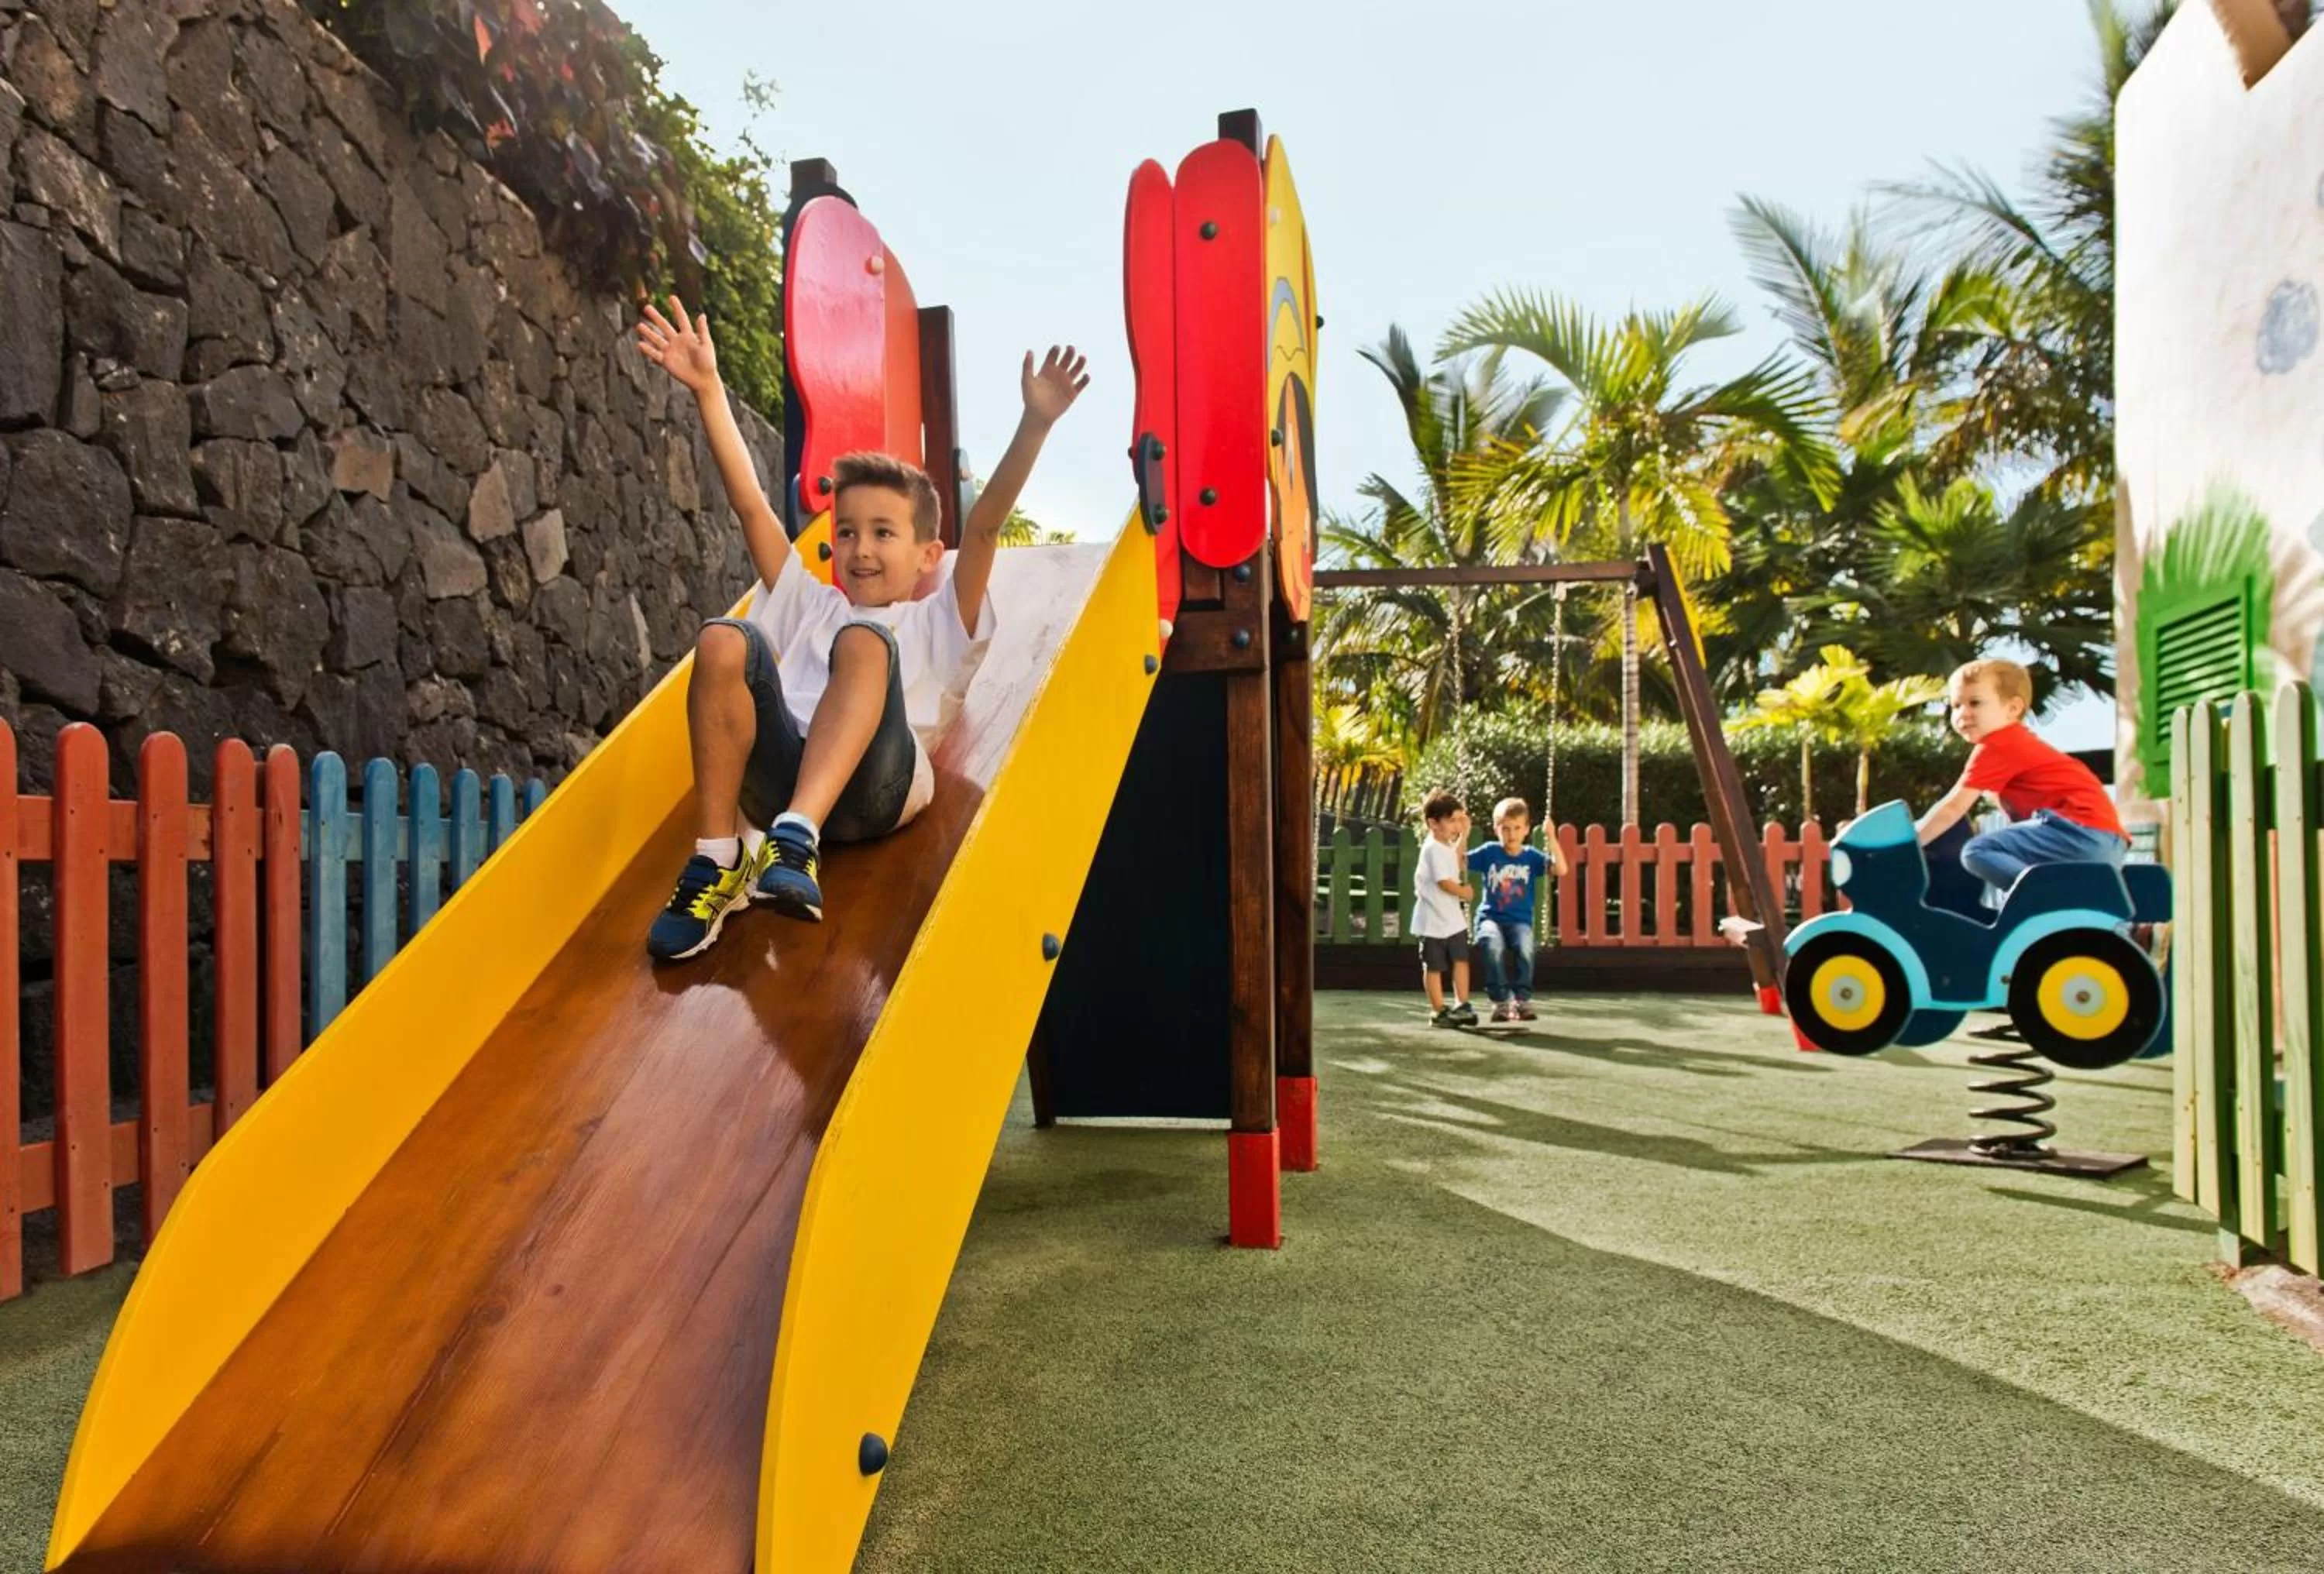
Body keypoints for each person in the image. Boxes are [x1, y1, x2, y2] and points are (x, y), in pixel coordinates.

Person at [634, 296, 1088, 960]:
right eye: (847, 533)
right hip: (780, 779)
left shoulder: (937, 619)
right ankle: (718, 862)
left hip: (878, 789)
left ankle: (799, 836)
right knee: (723, 639)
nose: (861, 549)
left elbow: (986, 524)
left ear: (928, 555)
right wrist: (708, 389)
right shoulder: (813, 607)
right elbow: (750, 507)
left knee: (865, 644)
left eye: (883, 533)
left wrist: (1035, 426)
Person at [1914, 658, 2126, 899]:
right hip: (2105, 842)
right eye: (1955, 705)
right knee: (2014, 872)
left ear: (2013, 708)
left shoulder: (1998, 744)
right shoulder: (2017, 742)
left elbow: (1953, 807)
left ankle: (2047, 900)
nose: (1963, 714)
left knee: (1978, 851)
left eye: (1975, 703)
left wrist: (1911, 841)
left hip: (2078, 833)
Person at [1467, 796, 1568, 1022]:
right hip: (1490, 919)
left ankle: (1522, 1000)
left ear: (1526, 830)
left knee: (1525, 946)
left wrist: (1551, 837)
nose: (1511, 834)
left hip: (1519, 921)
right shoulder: (1488, 852)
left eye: (1517, 828)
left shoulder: (1531, 857)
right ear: (1496, 829)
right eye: (1505, 828)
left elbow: (1561, 869)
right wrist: (1462, 835)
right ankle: (1501, 1001)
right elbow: (1459, 862)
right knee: (1492, 944)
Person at [1414, 791, 1479, 1027]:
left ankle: (1463, 1004)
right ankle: (1439, 1010)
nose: (1457, 826)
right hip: (1432, 920)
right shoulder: (1431, 849)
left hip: (1452, 919)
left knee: (1461, 959)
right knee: (1434, 966)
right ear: (1433, 823)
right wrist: (1464, 892)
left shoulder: (1446, 846)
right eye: (1452, 820)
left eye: (1460, 819)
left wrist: (1465, 835)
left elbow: (1457, 860)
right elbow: (1444, 881)